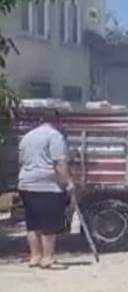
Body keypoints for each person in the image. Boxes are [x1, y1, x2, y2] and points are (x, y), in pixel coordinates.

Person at [18, 109, 73, 269]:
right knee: (50, 223)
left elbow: (22, 160)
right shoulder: (54, 136)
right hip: (47, 185)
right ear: (56, 121)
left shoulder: (27, 137)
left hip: (26, 182)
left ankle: (35, 257)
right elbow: (59, 162)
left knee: (32, 223)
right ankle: (47, 258)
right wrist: (68, 181)